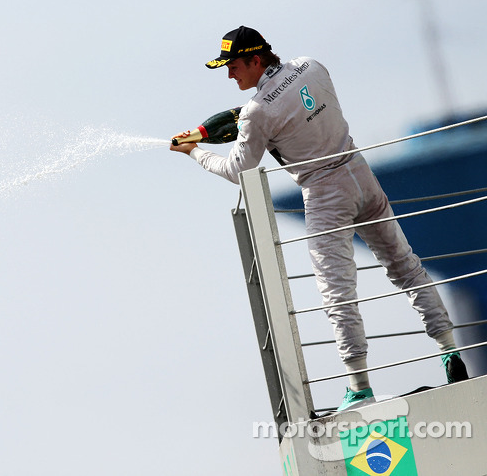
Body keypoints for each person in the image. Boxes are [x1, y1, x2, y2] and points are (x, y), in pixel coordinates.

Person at [171, 25, 468, 411]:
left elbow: (237, 169)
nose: (230, 74)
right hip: (360, 172)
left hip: (325, 193)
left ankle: (359, 388)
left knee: (336, 291)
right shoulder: (311, 65)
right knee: (406, 266)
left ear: (255, 59)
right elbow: (288, 109)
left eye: (233, 66)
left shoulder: (257, 112)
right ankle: (449, 351)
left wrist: (194, 152)